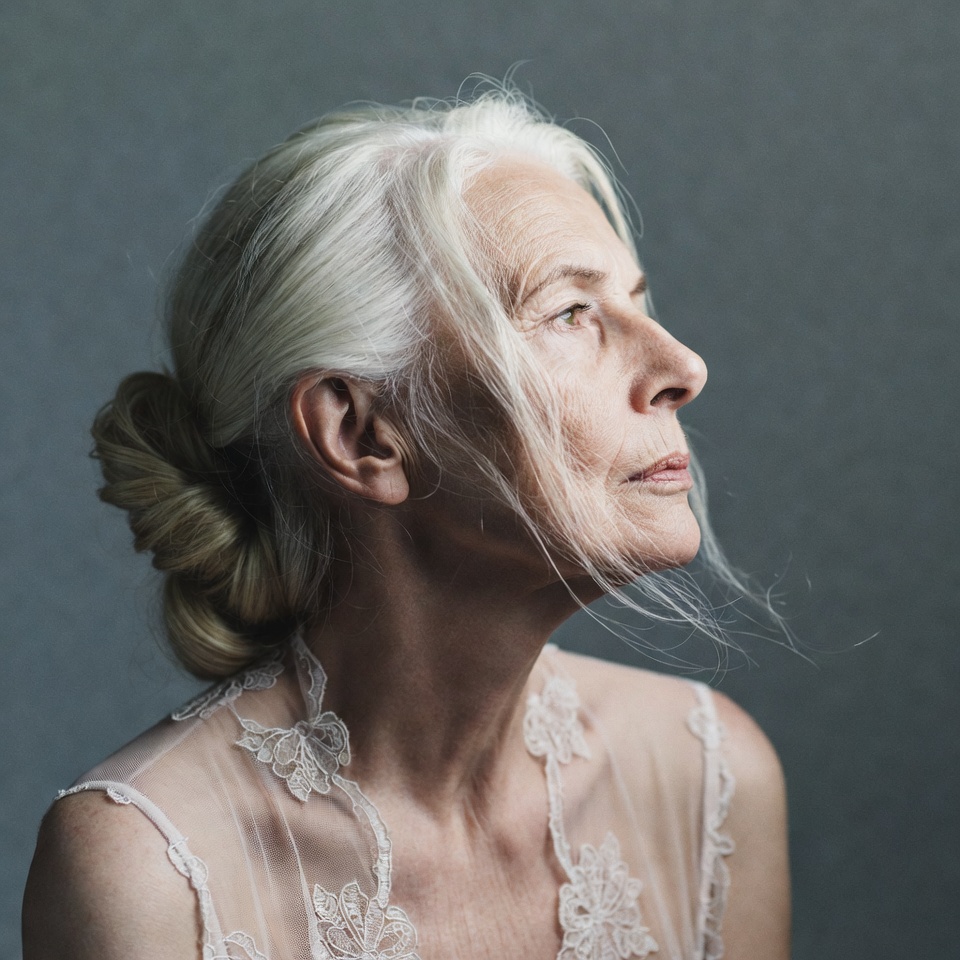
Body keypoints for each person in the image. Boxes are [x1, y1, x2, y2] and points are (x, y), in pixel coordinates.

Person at [22, 88, 790, 959]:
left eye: (636, 304)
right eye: (570, 313)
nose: (683, 367)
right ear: (362, 435)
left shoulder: (709, 776)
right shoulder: (148, 871)